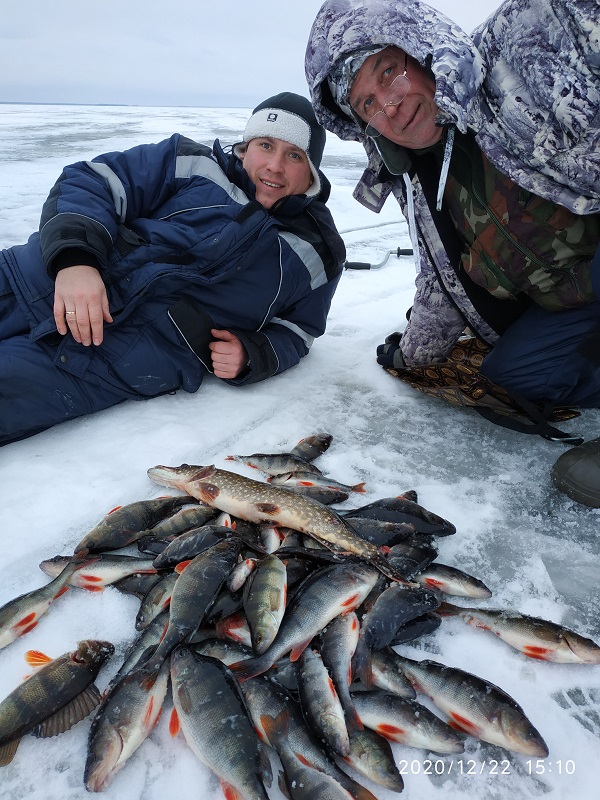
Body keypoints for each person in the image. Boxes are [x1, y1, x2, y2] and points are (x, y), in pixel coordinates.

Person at [305, 0, 600, 506]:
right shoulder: (415, 177)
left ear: (420, 48)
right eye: (367, 103)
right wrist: (413, 353)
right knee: (513, 374)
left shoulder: (523, 43)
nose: (389, 106)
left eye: (389, 71)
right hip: (574, 299)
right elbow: (438, 277)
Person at [0, 92, 345, 446]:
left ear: (312, 172)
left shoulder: (320, 253)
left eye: (294, 155)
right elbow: (93, 180)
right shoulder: (190, 163)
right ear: (245, 148)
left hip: (107, 363)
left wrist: (253, 353)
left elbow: (299, 331)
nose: (274, 165)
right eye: (265, 145)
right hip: (29, 280)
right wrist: (75, 261)